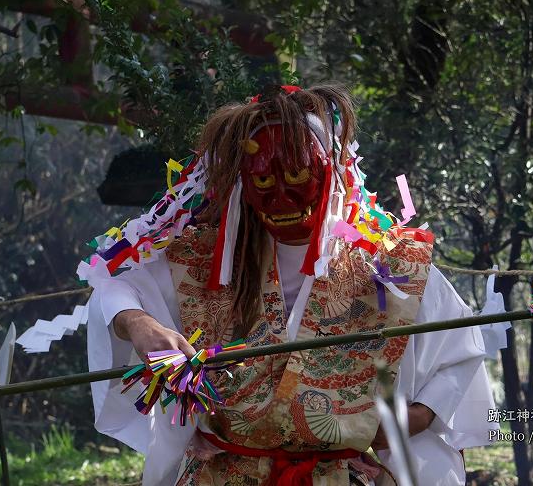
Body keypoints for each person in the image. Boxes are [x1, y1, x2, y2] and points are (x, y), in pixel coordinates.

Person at [83, 84, 497, 485]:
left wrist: (418, 416)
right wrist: (138, 323)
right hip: (225, 473)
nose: (281, 199)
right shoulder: (204, 260)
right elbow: (114, 286)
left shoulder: (387, 263)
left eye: (297, 178)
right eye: (263, 183)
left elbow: (459, 348)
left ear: (331, 172)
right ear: (244, 185)